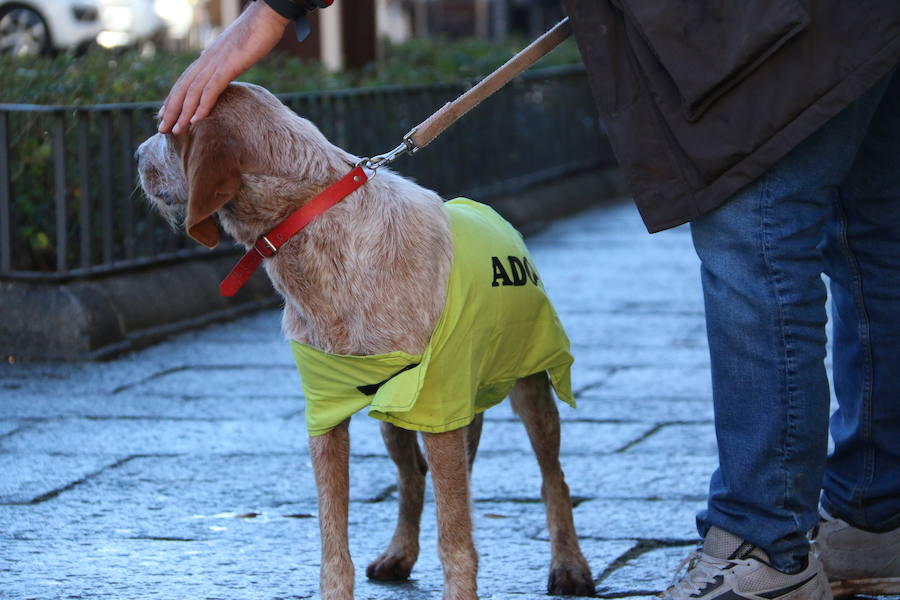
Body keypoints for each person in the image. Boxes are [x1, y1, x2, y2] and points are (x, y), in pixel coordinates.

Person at [159, 2, 900, 600]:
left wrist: (275, 9)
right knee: (869, 246)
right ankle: (873, 512)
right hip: (854, 26)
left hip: (764, 31)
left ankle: (763, 546)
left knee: (756, 239)